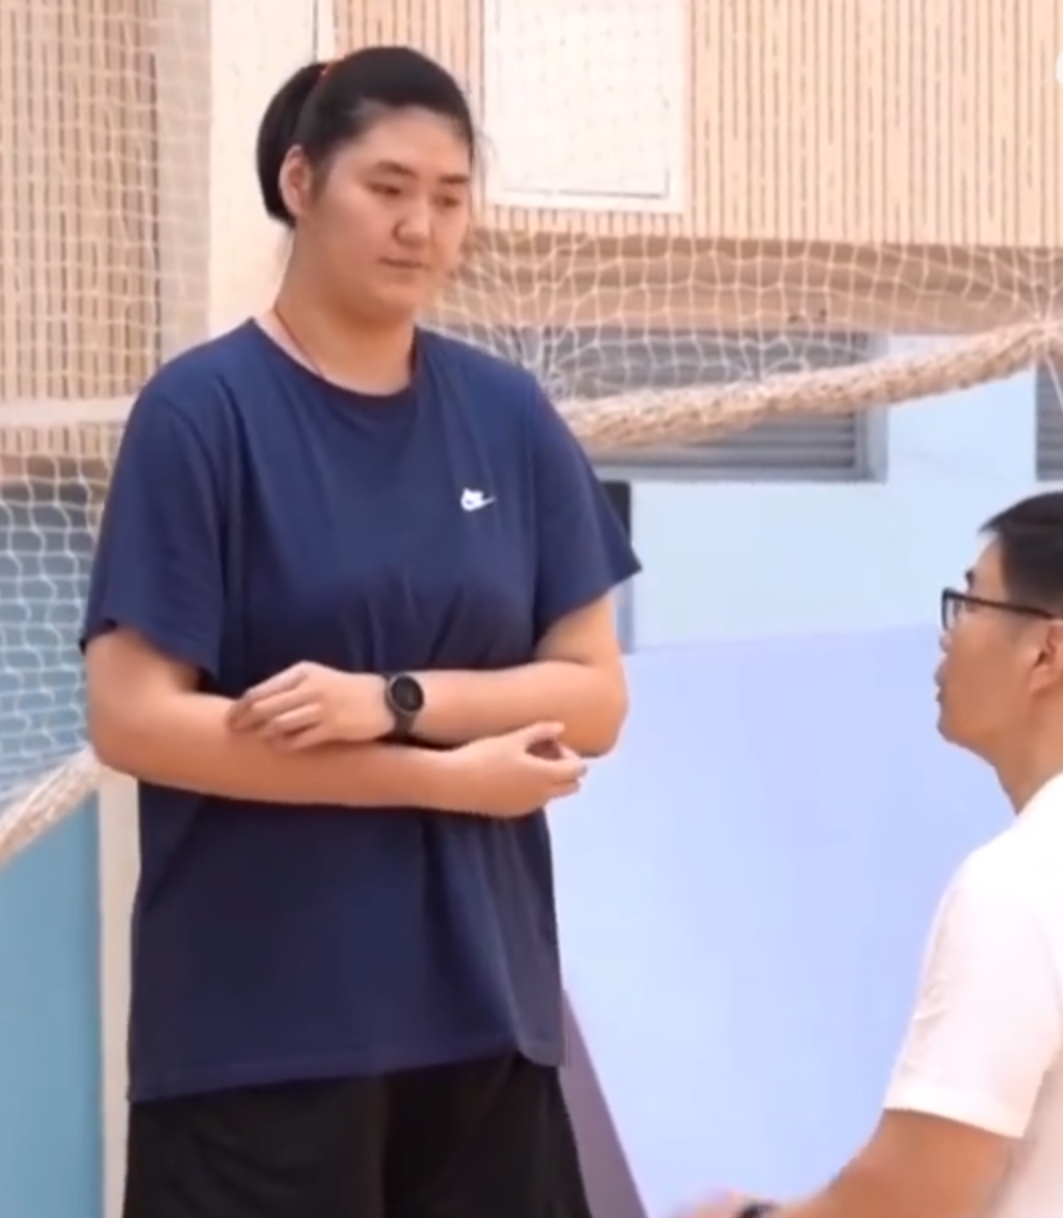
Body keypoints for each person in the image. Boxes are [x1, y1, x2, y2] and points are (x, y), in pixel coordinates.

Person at [82, 44, 639, 1218]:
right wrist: (436, 778)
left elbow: (592, 694)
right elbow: (133, 720)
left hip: (486, 1021)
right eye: (385, 189)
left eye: (447, 198)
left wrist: (390, 700)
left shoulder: (507, 414)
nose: (417, 228)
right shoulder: (199, 413)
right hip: (257, 1035)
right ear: (300, 181)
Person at [680, 492, 1063, 1218]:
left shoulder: (1019, 886)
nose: (948, 637)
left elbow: (914, 1193)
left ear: (1045, 653)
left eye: (970, 603)